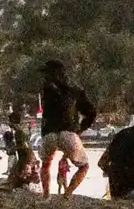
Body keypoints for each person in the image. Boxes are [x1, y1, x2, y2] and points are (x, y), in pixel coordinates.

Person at [39, 58, 97, 198]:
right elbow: (91, 112)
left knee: (46, 164)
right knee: (84, 166)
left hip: (49, 133)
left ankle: (46, 196)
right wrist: (81, 129)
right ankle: (68, 193)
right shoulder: (75, 90)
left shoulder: (47, 89)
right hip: (69, 133)